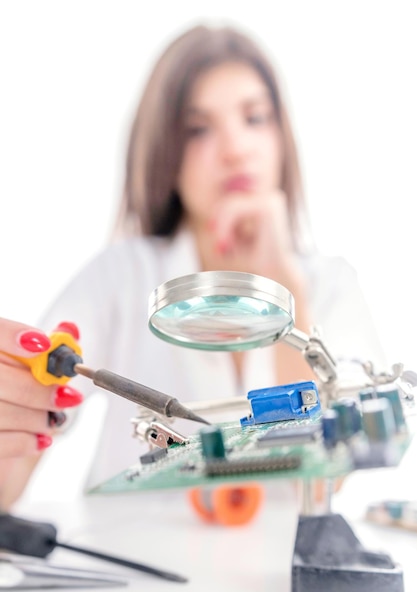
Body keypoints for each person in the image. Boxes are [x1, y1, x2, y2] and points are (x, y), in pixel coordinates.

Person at [0, 23, 387, 507]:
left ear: (282, 134)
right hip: (130, 569)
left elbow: (343, 460)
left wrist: (280, 275)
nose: (235, 149)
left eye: (255, 118)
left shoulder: (330, 284)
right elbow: (8, 480)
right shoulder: (122, 277)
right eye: (198, 128)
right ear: (166, 152)